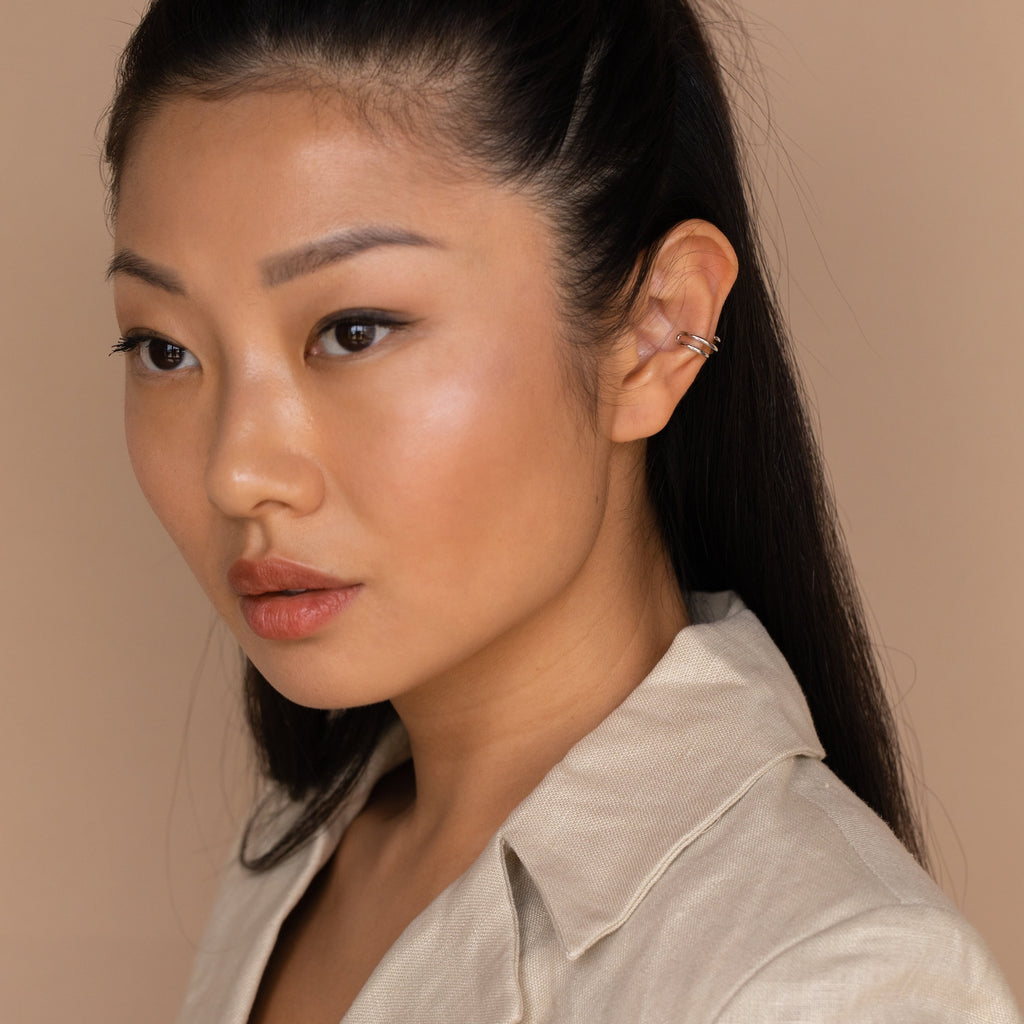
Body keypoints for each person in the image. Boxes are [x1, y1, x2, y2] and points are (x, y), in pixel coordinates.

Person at [103, 0, 1021, 1020]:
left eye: (353, 329)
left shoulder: (828, 978)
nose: (236, 472)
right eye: (163, 348)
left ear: (656, 329)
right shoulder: (299, 853)